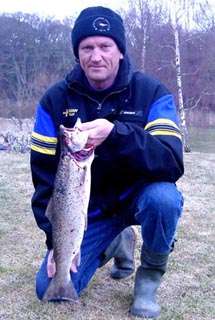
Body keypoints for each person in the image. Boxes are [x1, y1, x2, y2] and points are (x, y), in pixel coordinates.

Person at [30, 6, 184, 318]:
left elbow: (170, 160)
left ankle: (148, 280)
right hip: (91, 213)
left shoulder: (153, 93)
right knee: (48, 288)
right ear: (77, 54)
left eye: (105, 46)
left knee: (165, 199)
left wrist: (116, 135)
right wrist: (55, 241)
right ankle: (114, 241)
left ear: (121, 51)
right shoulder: (53, 101)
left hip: (139, 199)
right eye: (87, 47)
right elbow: (44, 180)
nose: (96, 56)